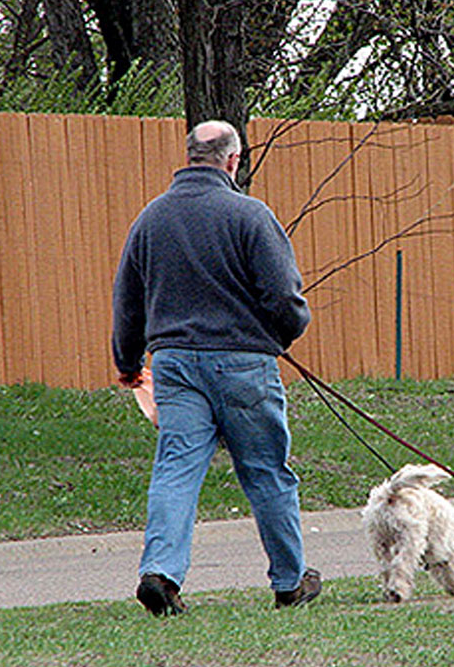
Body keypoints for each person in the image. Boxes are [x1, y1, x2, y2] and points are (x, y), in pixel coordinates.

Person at [111, 119, 321, 616]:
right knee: (267, 472)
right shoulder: (251, 215)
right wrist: (283, 336)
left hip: (176, 364)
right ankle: (290, 582)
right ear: (233, 160)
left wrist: (127, 361)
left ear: (190, 157)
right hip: (245, 365)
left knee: (176, 470)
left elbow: (128, 301)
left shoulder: (151, 219)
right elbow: (285, 298)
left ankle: (160, 573)